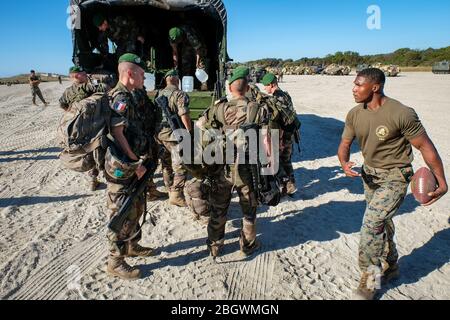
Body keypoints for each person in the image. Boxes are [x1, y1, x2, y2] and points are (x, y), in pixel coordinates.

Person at [338, 68, 448, 300]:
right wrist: (344, 162)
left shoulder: (401, 113)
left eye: (359, 85)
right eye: (354, 85)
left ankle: (371, 277)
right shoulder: (355, 113)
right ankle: (392, 265)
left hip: (395, 177)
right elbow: (345, 143)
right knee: (383, 223)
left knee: (372, 223)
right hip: (370, 176)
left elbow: (426, 147)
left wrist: (441, 180)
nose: (353, 89)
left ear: (375, 87)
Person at [200, 67, 265, 258]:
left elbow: (202, 128)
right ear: (247, 88)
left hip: (223, 166)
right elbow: (268, 139)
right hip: (248, 167)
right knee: (249, 208)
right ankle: (248, 244)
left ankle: (215, 246)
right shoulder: (258, 109)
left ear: (230, 87)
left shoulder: (219, 108)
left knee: (219, 207)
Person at [104, 53, 157, 280]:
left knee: (135, 206)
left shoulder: (132, 95)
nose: (145, 77)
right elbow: (117, 134)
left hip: (133, 162)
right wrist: (135, 163)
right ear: (129, 73)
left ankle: (132, 245)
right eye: (142, 74)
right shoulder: (119, 96)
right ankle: (115, 262)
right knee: (122, 211)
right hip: (123, 166)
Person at [59, 66, 109, 191]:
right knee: (98, 148)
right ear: (76, 76)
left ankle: (93, 180)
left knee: (86, 150)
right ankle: (102, 177)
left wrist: (74, 116)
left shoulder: (67, 91)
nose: (86, 74)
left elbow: (63, 104)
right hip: (93, 123)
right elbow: (105, 88)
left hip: (77, 127)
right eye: (82, 73)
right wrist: (93, 79)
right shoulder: (87, 86)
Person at [156, 69, 192, 207]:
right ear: (176, 79)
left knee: (166, 163)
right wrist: (188, 132)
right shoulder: (180, 94)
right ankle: (176, 195)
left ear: (166, 80)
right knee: (180, 167)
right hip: (173, 135)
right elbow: (184, 115)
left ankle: (168, 187)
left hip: (160, 134)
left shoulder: (159, 94)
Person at [261, 73, 300, 196]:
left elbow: (274, 117)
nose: (264, 88)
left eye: (266, 86)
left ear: (272, 84)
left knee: (277, 161)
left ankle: (287, 185)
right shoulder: (286, 95)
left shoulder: (275, 100)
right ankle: (291, 187)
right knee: (287, 160)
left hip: (282, 135)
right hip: (290, 133)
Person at [168, 26, 208, 91]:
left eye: (178, 41)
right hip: (186, 44)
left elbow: (198, 50)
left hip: (198, 45)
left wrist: (197, 63)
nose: (177, 43)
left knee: (200, 63)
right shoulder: (172, 37)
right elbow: (174, 51)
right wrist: (175, 63)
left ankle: (203, 83)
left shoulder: (190, 35)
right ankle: (186, 82)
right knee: (185, 61)